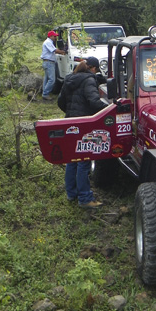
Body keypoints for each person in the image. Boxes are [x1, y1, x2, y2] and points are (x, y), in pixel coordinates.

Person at [57, 57, 105, 208]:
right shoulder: (89, 80)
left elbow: (60, 101)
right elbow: (94, 101)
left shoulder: (69, 78)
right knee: (84, 160)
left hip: (70, 122)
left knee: (72, 159)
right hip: (84, 124)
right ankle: (85, 198)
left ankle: (72, 194)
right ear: (93, 69)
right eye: (96, 70)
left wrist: (71, 113)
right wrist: (108, 110)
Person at [40, 30, 66, 101]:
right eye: (54, 36)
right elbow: (54, 50)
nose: (55, 38)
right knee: (52, 79)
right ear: (50, 36)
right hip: (49, 62)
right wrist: (63, 52)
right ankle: (45, 94)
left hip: (47, 62)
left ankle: (44, 92)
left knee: (47, 79)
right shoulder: (48, 42)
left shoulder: (49, 42)